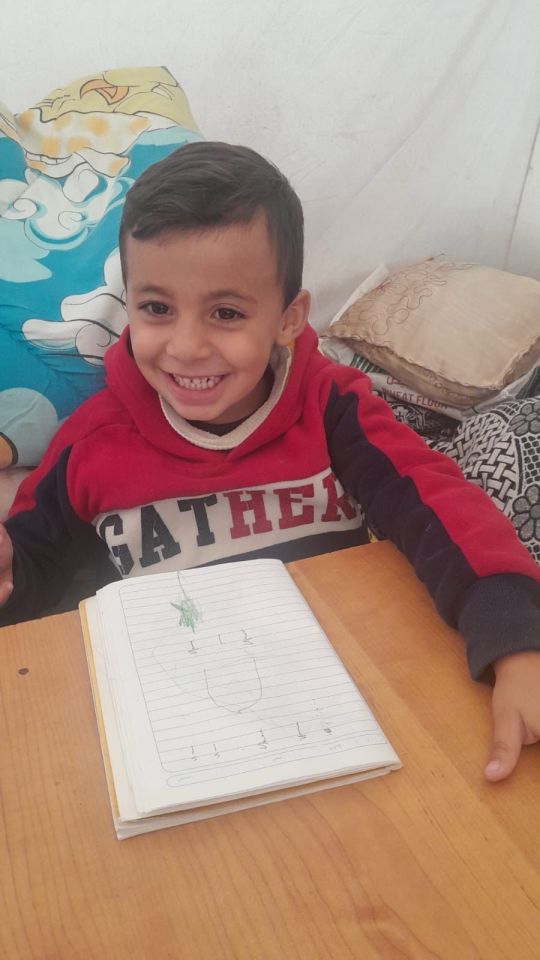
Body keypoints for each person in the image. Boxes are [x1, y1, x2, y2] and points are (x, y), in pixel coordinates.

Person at [0, 142, 539, 781]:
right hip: (177, 733)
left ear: (289, 319)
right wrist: (10, 577)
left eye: (226, 313)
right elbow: (32, 570)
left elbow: (433, 499)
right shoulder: (89, 444)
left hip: (343, 701)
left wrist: (514, 632)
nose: (186, 346)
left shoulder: (332, 405)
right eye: (157, 308)